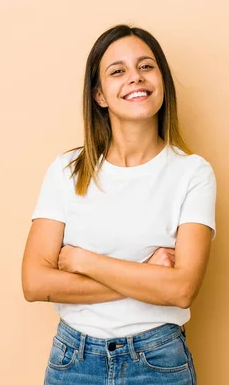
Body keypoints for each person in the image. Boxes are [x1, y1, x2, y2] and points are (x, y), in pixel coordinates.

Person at [22, 24, 216, 385]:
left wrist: (83, 261)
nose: (135, 78)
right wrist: (148, 274)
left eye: (146, 66)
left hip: (158, 362)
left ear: (162, 81)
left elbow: (181, 290)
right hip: (74, 362)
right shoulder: (67, 170)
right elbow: (34, 283)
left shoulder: (193, 173)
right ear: (99, 95)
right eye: (118, 71)